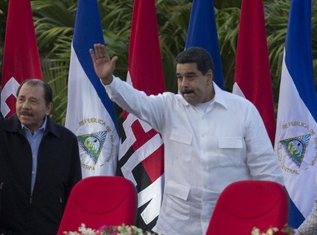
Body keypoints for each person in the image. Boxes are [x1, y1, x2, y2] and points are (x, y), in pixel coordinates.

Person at [89, 44, 284, 235]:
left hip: (232, 220)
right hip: (177, 224)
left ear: (208, 77)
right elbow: (136, 101)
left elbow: (265, 168)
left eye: (190, 77)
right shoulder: (168, 107)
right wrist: (109, 80)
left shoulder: (243, 111)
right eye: (180, 77)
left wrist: (271, 217)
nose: (183, 85)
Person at [0, 79, 82, 235]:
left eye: (33, 101)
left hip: (49, 226)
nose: (25, 106)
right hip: (5, 225)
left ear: (48, 108)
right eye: (21, 99)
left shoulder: (66, 140)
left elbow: (74, 187)